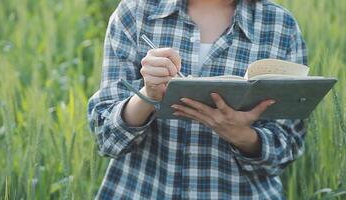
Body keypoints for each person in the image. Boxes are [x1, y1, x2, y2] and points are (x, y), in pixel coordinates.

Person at [87, 0, 307, 199]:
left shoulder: (280, 25)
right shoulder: (135, 12)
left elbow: (287, 148)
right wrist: (148, 95)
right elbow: (107, 139)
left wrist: (242, 136)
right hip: (141, 190)